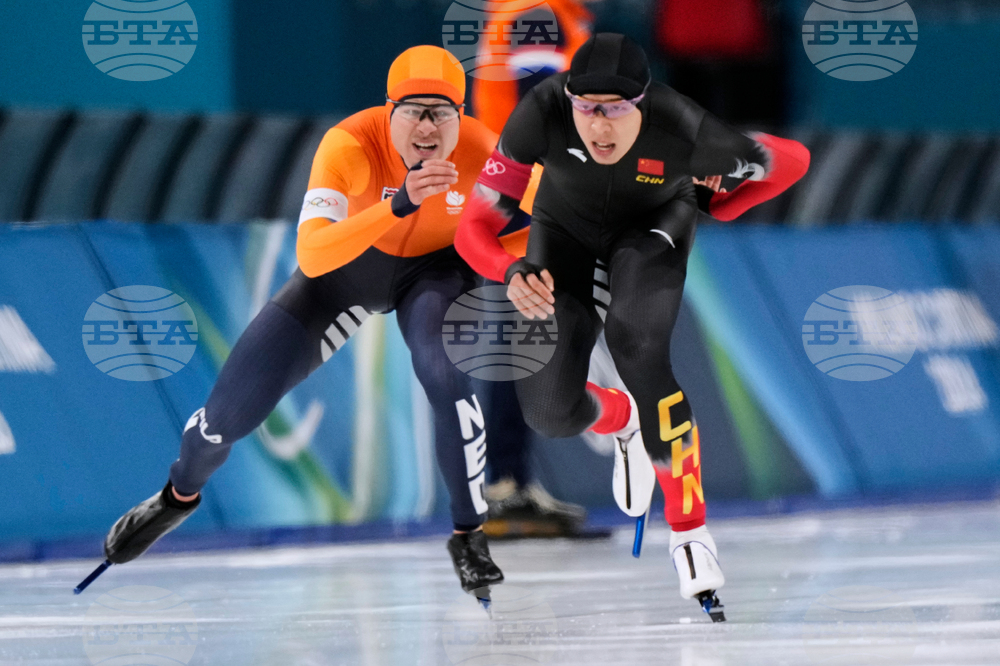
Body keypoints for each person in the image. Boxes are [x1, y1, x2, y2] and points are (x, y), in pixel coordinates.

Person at [100, 46, 532, 602]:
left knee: (446, 379)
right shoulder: (350, 145)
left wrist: (511, 259)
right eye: (413, 111)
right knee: (224, 420)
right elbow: (313, 254)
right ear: (388, 111)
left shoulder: (483, 150)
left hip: (435, 276)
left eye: (441, 112)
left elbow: (551, 222)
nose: (426, 127)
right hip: (340, 280)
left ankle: (469, 534)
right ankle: (177, 496)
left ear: (462, 115)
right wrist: (396, 206)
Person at [454, 33, 810, 618]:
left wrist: (725, 199)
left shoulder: (684, 128)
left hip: (652, 230)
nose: (599, 125)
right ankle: (621, 421)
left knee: (639, 345)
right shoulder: (540, 113)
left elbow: (795, 162)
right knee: (547, 410)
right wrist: (508, 268)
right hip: (563, 236)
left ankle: (691, 533)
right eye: (587, 107)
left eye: (615, 108)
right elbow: (475, 225)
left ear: (642, 104)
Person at [470, 0, 597, 537]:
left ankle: (509, 481)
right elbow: (540, 115)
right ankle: (502, 484)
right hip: (528, 197)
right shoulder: (535, 14)